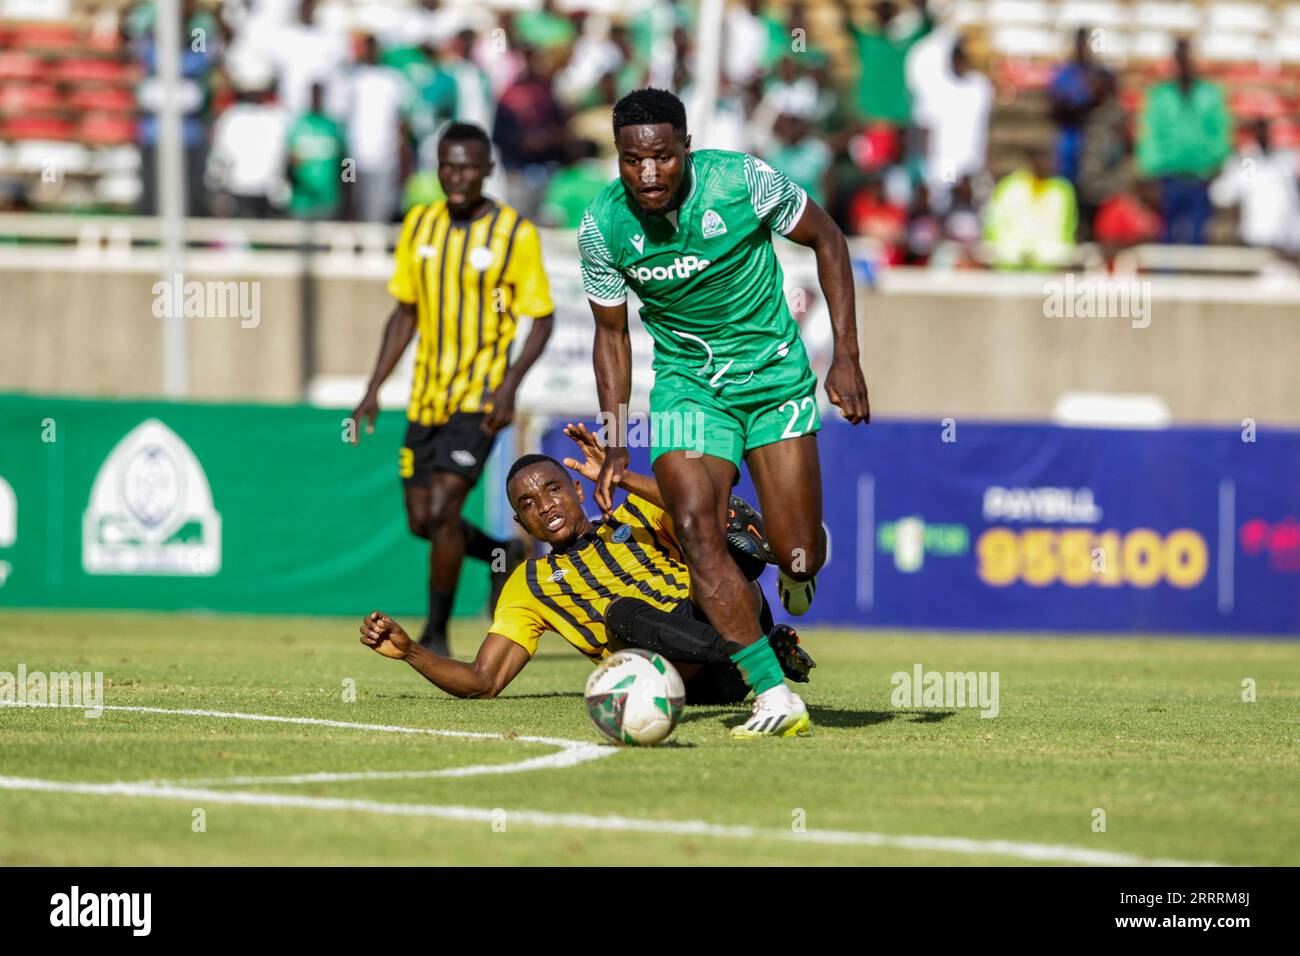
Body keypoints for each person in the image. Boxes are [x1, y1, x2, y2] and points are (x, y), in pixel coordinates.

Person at [577, 89, 870, 738]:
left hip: (773, 382)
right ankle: (772, 692)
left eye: (661, 157)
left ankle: (799, 568)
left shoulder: (740, 181)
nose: (648, 174)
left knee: (794, 556)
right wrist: (616, 433)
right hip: (688, 391)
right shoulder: (602, 227)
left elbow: (828, 238)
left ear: (686, 148)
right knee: (693, 524)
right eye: (632, 161)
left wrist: (844, 356)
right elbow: (612, 336)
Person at [359, 439, 815, 710]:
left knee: (714, 539)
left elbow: (697, 509)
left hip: (731, 617)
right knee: (620, 614)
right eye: (528, 505)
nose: (545, 506)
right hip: (685, 678)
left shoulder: (635, 514)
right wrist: (411, 653)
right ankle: (761, 655)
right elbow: (484, 680)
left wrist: (621, 480)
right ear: (521, 524)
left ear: (578, 489)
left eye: (553, 490)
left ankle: (789, 582)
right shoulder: (528, 583)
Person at [350, 122, 555, 656]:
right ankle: (502, 552)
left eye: (467, 166)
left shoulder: (515, 233)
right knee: (422, 521)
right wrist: (373, 387)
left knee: (443, 510)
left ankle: (436, 632)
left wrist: (510, 386)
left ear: (488, 170)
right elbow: (406, 311)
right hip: (426, 398)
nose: (457, 176)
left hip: (479, 399)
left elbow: (542, 318)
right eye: (447, 165)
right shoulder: (420, 225)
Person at [1135, 38, 1231, 245]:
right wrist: (1150, 172)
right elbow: (1150, 133)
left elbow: (1219, 130)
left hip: (1200, 178)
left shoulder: (1210, 94)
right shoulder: (1160, 95)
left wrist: (1215, 164)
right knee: (1166, 236)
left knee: (1199, 235)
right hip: (1167, 179)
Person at [984, 146, 1078, 269]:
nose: (1044, 163)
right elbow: (994, 224)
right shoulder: (1009, 186)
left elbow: (1068, 227)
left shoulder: (1063, 190)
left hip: (1049, 266)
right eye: (1039, 157)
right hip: (1009, 265)